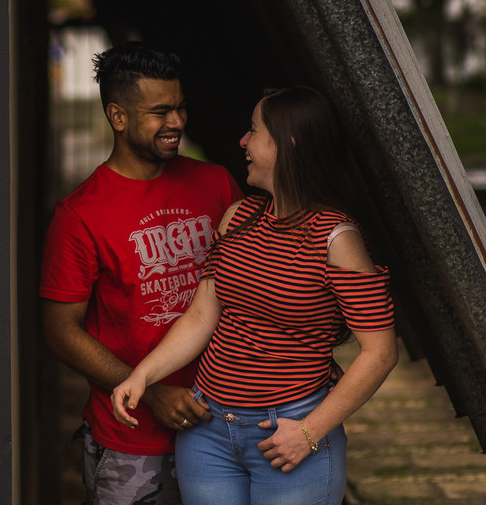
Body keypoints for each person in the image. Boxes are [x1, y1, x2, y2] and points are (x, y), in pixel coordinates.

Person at [111, 86, 397, 505]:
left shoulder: (336, 238)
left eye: (254, 130)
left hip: (290, 433)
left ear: (288, 144)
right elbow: (201, 316)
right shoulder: (238, 217)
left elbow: (380, 352)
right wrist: (142, 375)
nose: (243, 141)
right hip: (207, 433)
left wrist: (309, 432)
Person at [41, 41, 244, 505]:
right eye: (160, 112)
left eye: (180, 107)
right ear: (117, 116)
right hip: (133, 443)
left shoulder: (216, 183)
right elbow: (59, 331)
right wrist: (151, 393)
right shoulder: (79, 215)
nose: (177, 122)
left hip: (227, 429)